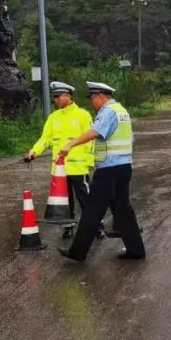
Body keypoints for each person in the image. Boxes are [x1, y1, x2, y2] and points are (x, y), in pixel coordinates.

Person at [57, 81, 145, 262]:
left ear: (101, 96)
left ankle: (78, 252)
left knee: (92, 211)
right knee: (122, 209)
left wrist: (71, 144)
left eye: (93, 99)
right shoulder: (122, 111)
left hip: (108, 170)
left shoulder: (107, 112)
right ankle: (136, 250)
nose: (92, 103)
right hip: (124, 167)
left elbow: (95, 132)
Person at [24, 81, 95, 239]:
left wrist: (90, 162)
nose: (55, 100)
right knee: (64, 201)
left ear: (67, 95)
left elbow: (91, 140)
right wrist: (33, 152)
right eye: (53, 97)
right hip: (60, 169)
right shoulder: (53, 118)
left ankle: (96, 225)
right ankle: (68, 226)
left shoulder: (83, 115)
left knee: (86, 199)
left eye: (57, 96)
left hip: (78, 168)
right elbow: (45, 139)